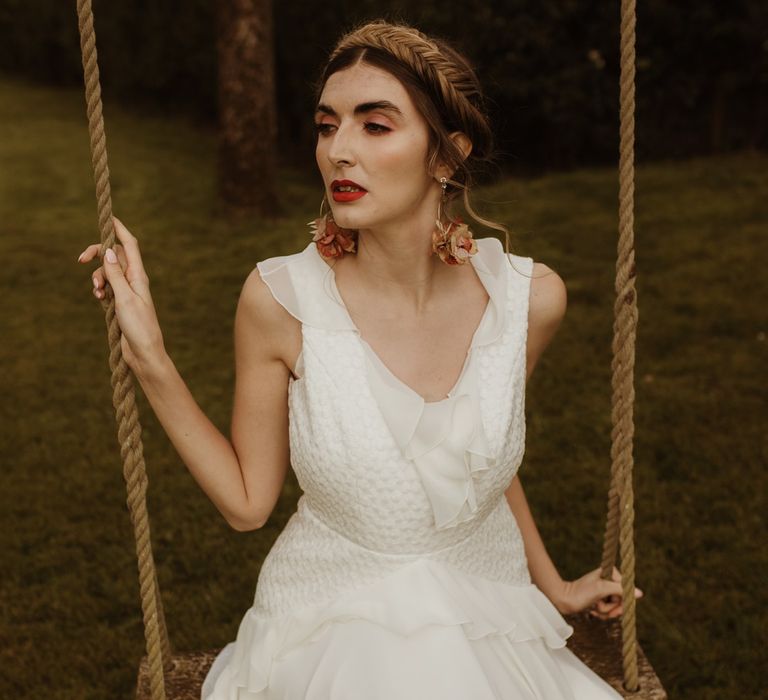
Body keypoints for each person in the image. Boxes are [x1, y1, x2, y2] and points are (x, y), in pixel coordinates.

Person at [77, 18, 643, 700]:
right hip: (341, 621)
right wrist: (152, 360)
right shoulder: (282, 301)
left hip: (492, 611)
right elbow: (248, 506)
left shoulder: (529, 300)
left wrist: (553, 586)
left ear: (446, 156)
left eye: (375, 126)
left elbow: (473, 464)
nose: (339, 150)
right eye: (326, 125)